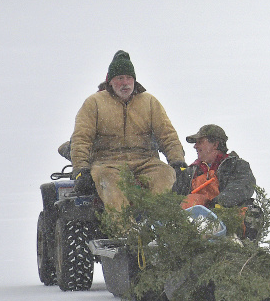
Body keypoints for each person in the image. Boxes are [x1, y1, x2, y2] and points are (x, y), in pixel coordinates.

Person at [70, 50, 186, 210]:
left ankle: (158, 223)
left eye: (129, 78)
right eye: (120, 78)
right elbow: (81, 139)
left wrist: (177, 162)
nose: (125, 83)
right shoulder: (94, 103)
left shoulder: (149, 102)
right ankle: (124, 230)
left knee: (165, 175)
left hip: (145, 161)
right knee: (110, 182)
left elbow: (168, 135)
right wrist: (81, 170)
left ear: (134, 80)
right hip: (107, 163)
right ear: (110, 81)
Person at [173, 124, 256, 211]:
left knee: (250, 214)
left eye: (200, 142)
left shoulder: (236, 165)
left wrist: (218, 203)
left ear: (215, 145)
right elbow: (172, 199)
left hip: (226, 216)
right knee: (191, 200)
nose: (195, 146)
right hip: (194, 221)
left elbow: (243, 187)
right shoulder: (189, 172)